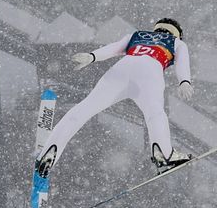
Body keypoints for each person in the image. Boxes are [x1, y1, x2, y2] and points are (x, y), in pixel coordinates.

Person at [34, 18, 195, 179]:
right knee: (155, 114)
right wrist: (184, 81)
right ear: (177, 33)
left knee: (85, 108)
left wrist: (92, 56)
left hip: (123, 68)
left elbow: (114, 48)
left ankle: (48, 153)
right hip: (150, 71)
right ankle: (163, 155)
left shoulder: (137, 35)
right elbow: (182, 61)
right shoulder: (176, 42)